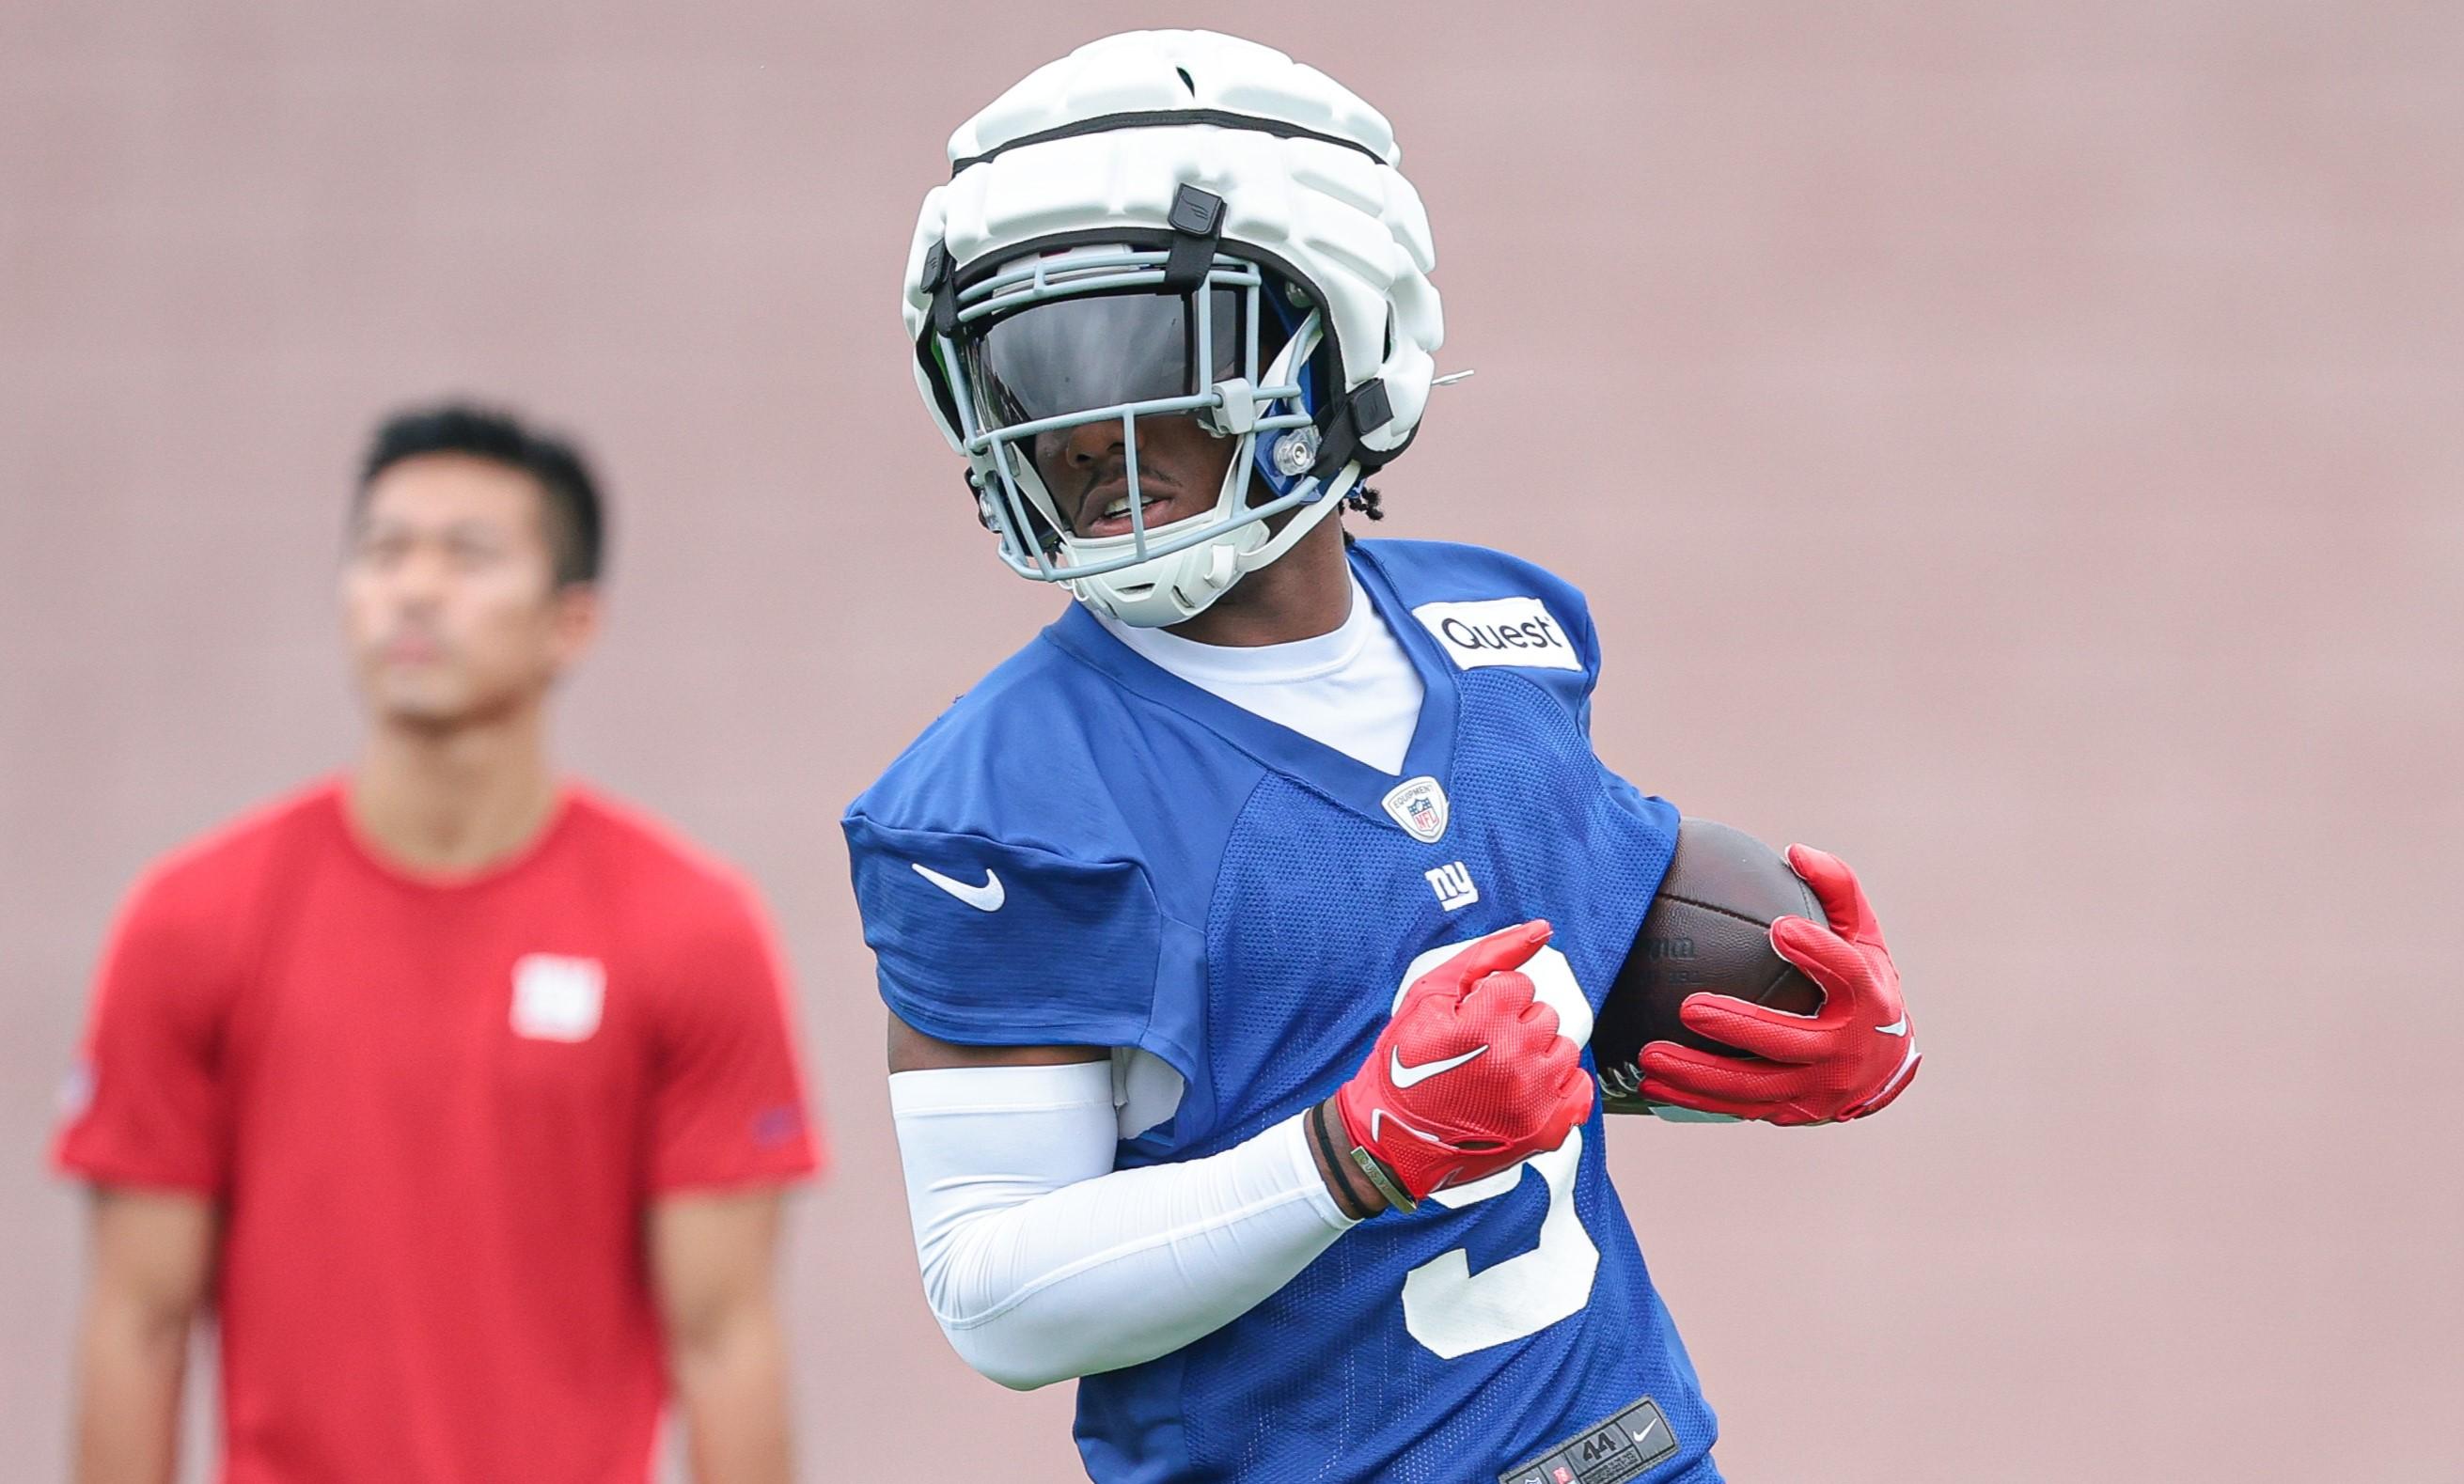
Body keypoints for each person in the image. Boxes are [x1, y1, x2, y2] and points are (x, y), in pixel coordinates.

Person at [844, 30, 1921, 1484]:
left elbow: (1503, 1008)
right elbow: (996, 1291)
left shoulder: (1505, 627)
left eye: (1145, 349)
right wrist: (1345, 1154)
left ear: (1343, 333)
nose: (1075, 428)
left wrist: (1788, 1032)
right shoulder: (997, 800)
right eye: (1022, 366)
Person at [56, 403, 822, 1484]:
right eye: (382, 552)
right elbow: (137, 1321)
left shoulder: (691, 930)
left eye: (467, 556)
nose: (412, 589)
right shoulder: (191, 921)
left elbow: (726, 1337)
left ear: (572, 622)